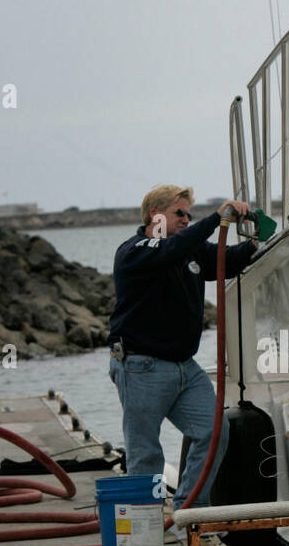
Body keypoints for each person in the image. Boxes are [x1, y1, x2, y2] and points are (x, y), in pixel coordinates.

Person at [108, 184, 256, 508]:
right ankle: (145, 528)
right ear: (155, 214)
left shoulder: (188, 250)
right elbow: (169, 251)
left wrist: (258, 241)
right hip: (141, 366)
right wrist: (216, 219)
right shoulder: (135, 250)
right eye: (180, 213)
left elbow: (225, 262)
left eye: (190, 214)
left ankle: (188, 514)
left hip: (185, 368)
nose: (187, 220)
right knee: (145, 452)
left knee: (214, 433)